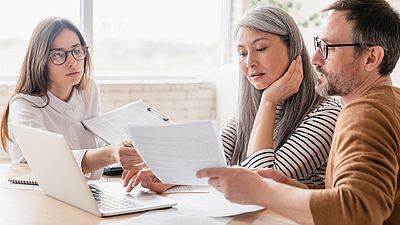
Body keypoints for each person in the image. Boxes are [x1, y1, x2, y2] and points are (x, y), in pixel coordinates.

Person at [197, 0, 400, 224]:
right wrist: (297, 188)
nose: (314, 58)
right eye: (317, 44)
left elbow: (359, 211)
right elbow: (362, 196)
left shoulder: (365, 113)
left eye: (327, 48)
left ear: (371, 58)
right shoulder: (386, 103)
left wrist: (263, 191)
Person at [121, 5, 342, 192]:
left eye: (260, 48)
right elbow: (214, 160)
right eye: (242, 53)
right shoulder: (249, 109)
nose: (250, 62)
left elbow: (261, 183)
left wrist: (268, 102)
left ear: (292, 48)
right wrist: (170, 178)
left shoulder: (327, 114)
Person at [0, 17, 135, 179]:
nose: (72, 62)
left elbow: (93, 141)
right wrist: (111, 153)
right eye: (58, 55)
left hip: (89, 188)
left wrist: (126, 147)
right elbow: (52, 162)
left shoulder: (89, 89)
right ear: (40, 60)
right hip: (41, 195)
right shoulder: (24, 105)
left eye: (77, 51)